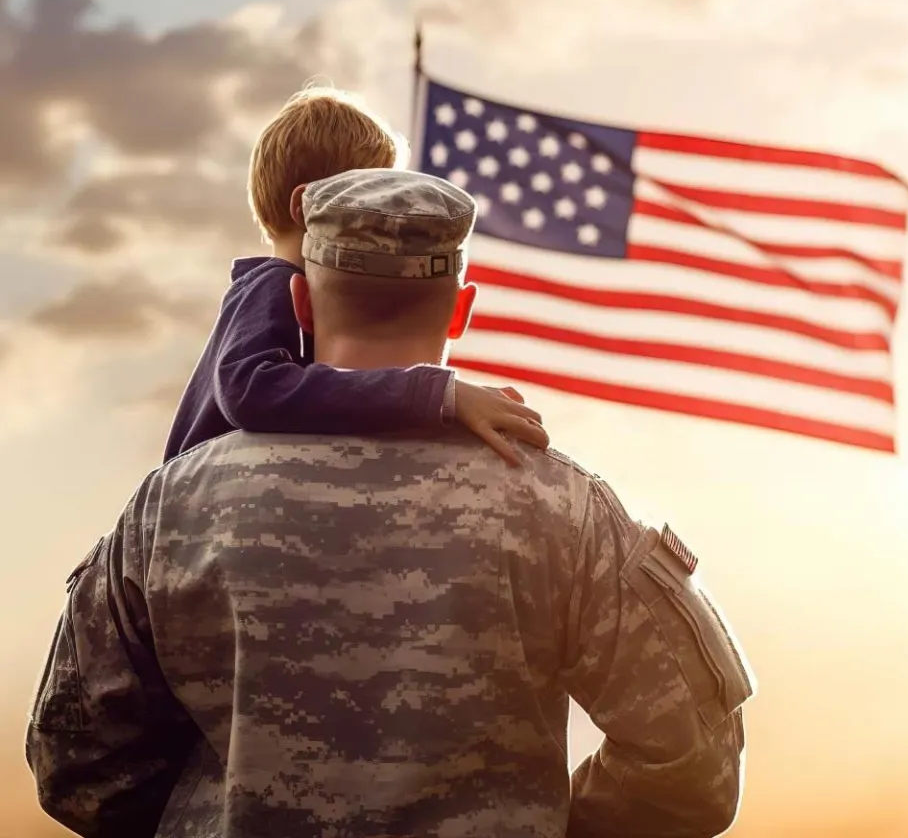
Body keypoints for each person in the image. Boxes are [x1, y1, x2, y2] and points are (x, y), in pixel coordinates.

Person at [26, 168, 756, 838]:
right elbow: (693, 767)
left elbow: (77, 761)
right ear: (462, 309)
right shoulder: (563, 509)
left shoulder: (171, 508)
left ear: (301, 302)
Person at [163, 84, 547, 466]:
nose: (386, 207)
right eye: (370, 192)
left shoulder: (273, 288)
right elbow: (252, 392)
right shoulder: (270, 285)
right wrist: (439, 394)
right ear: (304, 206)